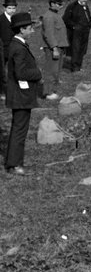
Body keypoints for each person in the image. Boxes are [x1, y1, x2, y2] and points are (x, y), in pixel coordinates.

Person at [4, 12, 42, 175]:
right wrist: (38, 73)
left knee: (19, 129)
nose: (32, 31)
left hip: (20, 95)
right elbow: (21, 73)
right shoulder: (19, 48)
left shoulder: (18, 44)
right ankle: (14, 164)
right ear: (21, 30)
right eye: (30, 28)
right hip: (21, 96)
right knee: (19, 130)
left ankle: (15, 162)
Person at [40, 0, 68, 100]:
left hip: (58, 47)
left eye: (61, 4)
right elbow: (49, 34)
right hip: (53, 48)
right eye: (59, 4)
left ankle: (52, 90)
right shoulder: (49, 16)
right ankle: (48, 92)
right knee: (51, 70)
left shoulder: (55, 15)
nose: (61, 6)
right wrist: (54, 48)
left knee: (56, 70)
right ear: (52, 4)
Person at [63, 0, 91, 73]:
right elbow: (66, 19)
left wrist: (89, 25)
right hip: (75, 32)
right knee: (76, 49)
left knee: (82, 49)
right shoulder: (72, 6)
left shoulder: (86, 6)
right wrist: (74, 26)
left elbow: (88, 17)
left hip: (85, 31)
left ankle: (79, 65)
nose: (85, 0)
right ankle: (74, 67)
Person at [0, 0, 16, 97]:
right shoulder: (1, 19)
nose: (12, 10)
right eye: (9, 8)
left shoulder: (15, 19)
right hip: (2, 48)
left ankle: (12, 89)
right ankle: (2, 92)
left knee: (13, 70)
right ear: (5, 8)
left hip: (12, 48)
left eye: (14, 8)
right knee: (1, 71)